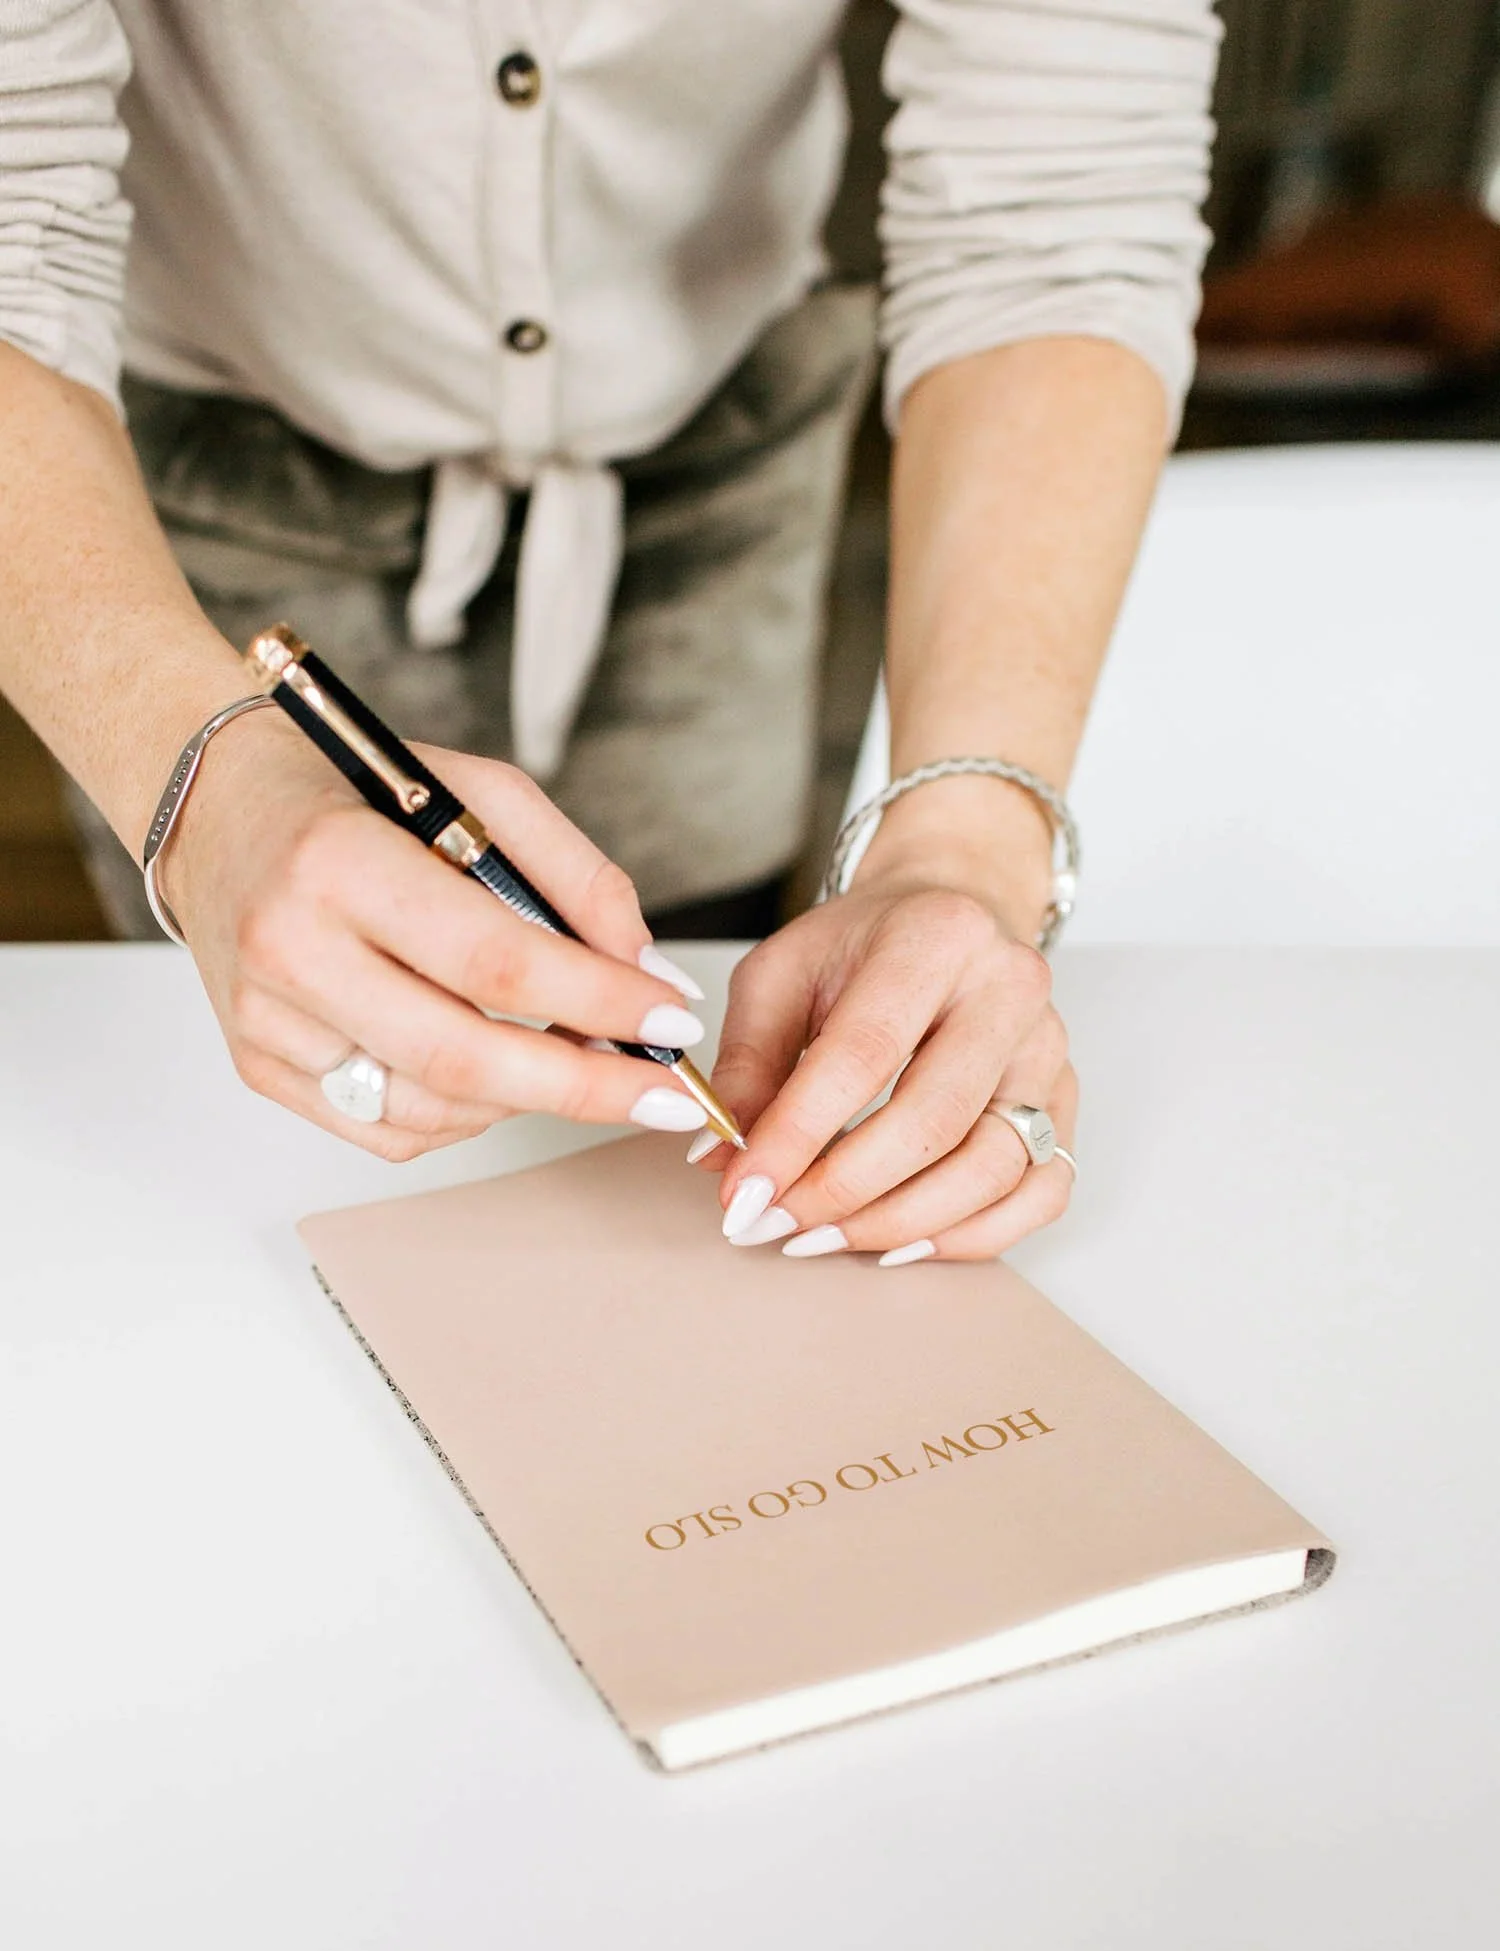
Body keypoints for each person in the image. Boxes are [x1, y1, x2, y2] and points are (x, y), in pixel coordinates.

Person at [0, 1, 1219, 1263]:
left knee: (708, 989)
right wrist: (205, 792)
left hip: (714, 443)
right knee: (272, 1086)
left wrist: (960, 856)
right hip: (177, 464)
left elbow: (1058, 207)